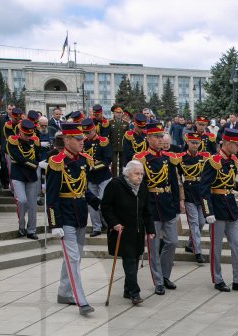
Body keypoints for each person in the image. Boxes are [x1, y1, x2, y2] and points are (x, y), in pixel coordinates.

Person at [46, 123, 101, 315]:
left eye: (82, 139)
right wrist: (54, 223)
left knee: (72, 259)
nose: (81, 143)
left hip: (80, 215)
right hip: (65, 217)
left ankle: (64, 292)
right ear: (67, 140)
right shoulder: (57, 162)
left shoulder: (83, 160)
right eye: (78, 140)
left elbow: (83, 191)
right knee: (73, 258)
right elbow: (51, 197)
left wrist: (100, 204)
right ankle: (81, 300)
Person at [200, 128, 238, 293]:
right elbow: (204, 189)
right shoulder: (213, 161)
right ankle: (217, 279)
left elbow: (229, 183)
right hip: (217, 208)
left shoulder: (233, 161)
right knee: (216, 247)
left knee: (237, 245)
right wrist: (208, 212)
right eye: (236, 144)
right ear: (228, 143)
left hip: (231, 207)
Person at [135, 122, 182, 295]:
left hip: (167, 203)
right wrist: (140, 209)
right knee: (154, 247)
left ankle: (165, 274)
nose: (160, 139)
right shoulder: (141, 158)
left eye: (162, 136)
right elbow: (139, 186)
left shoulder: (168, 157)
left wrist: (177, 204)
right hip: (151, 206)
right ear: (148, 138)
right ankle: (158, 280)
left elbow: (174, 182)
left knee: (172, 241)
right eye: (156, 136)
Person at [100, 160, 155, 305]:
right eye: (137, 174)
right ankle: (135, 293)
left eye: (141, 174)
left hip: (137, 231)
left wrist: (150, 229)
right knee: (130, 260)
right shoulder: (116, 184)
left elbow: (147, 210)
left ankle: (127, 289)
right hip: (122, 231)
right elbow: (105, 206)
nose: (140, 177)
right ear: (127, 173)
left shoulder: (142, 186)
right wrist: (114, 223)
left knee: (134, 260)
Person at [177, 130, 210, 263]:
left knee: (202, 222)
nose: (195, 145)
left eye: (197, 143)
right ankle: (198, 251)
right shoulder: (181, 158)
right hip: (189, 191)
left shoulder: (204, 157)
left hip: (201, 192)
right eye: (193, 143)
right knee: (194, 223)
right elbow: (178, 178)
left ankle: (190, 244)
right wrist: (181, 198)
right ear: (187, 142)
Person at [6, 119, 42, 239]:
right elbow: (19, 158)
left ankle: (31, 230)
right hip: (18, 174)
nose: (28, 137)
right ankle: (21, 226)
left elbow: (38, 155)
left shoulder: (34, 140)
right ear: (20, 132)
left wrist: (39, 162)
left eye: (30, 134)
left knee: (32, 205)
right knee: (22, 200)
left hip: (31, 176)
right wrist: (36, 164)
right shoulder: (13, 141)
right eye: (26, 134)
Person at [81, 118, 112, 237]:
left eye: (89, 132)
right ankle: (96, 227)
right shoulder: (84, 142)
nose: (87, 135)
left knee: (104, 200)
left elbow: (107, 159)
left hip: (103, 175)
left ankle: (107, 223)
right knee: (92, 204)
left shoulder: (103, 141)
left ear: (94, 129)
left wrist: (94, 166)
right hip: (91, 177)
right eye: (85, 133)